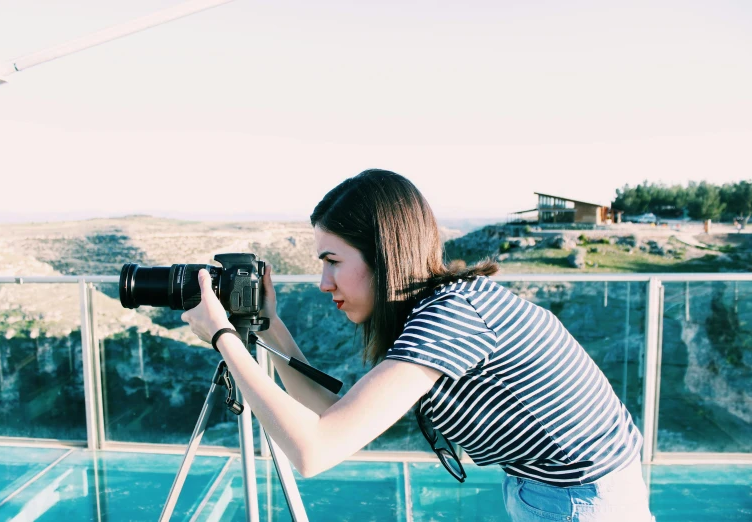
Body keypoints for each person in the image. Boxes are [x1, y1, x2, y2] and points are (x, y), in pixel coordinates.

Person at [182, 169, 654, 522]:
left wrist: (225, 338)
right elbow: (337, 416)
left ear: (384, 256)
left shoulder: (453, 317)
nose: (323, 282)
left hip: (584, 502)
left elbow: (314, 451)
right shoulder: (441, 308)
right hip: (565, 489)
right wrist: (268, 326)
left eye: (332, 261)